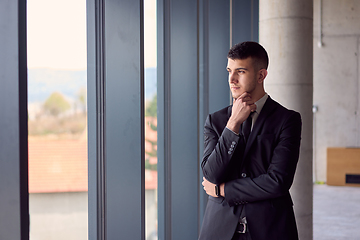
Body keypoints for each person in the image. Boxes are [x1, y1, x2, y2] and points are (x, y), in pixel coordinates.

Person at [199, 41, 302, 240]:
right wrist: (233, 125)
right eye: (229, 71)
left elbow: (277, 181)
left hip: (270, 230)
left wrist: (224, 190)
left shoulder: (287, 120)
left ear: (261, 75)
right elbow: (211, 173)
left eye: (241, 71)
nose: (232, 79)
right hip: (219, 230)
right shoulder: (216, 121)